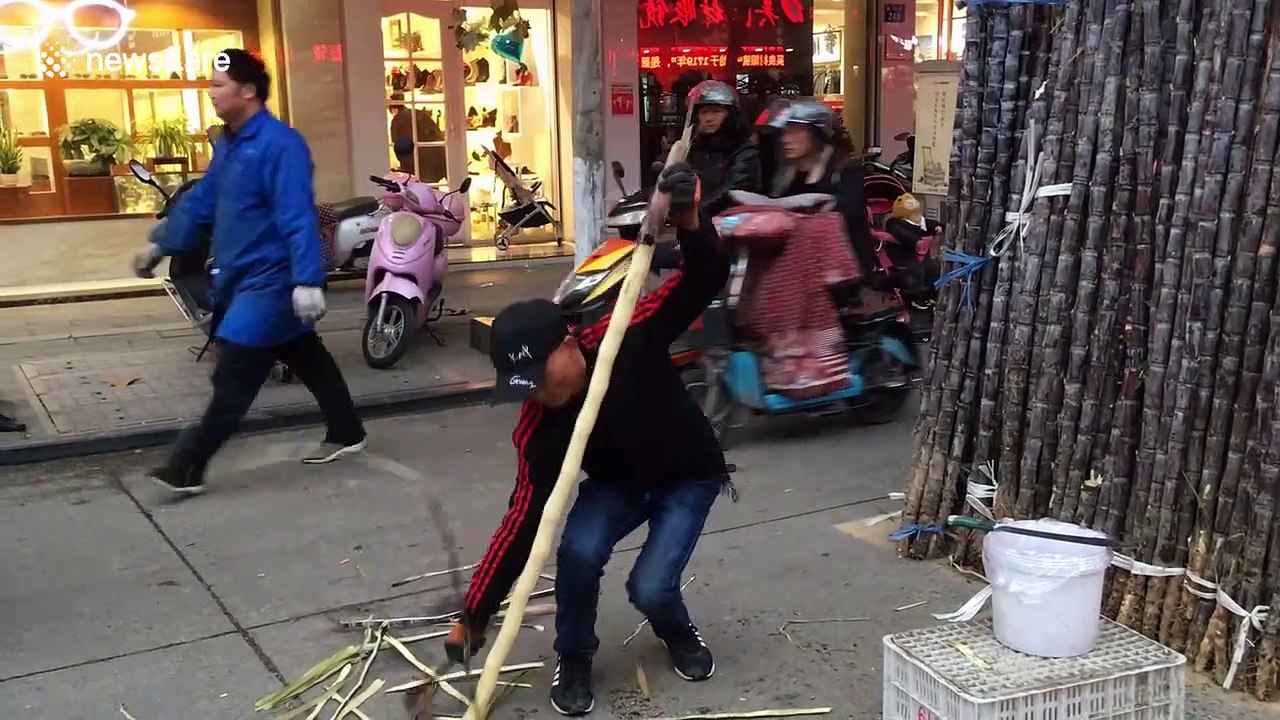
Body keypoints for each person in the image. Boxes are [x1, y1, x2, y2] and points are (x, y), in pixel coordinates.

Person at [444, 163, 732, 716]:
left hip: (686, 474)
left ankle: (677, 633)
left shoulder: (625, 330)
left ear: (570, 345)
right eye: (522, 386)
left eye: (540, 378)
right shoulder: (540, 422)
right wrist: (474, 615)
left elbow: (702, 280)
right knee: (576, 553)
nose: (536, 395)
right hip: (618, 483)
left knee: (649, 587)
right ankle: (573, 656)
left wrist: (692, 221)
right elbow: (521, 522)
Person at [132, 49, 366, 495]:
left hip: (273, 279)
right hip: (239, 276)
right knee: (305, 354)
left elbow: (297, 215)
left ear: (248, 91)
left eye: (219, 85)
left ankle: (188, 464)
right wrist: (161, 243)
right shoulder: (229, 143)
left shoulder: (282, 144)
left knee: (235, 373)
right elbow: (203, 200)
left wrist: (307, 280)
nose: (211, 92)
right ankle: (348, 431)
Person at [768, 99, 884, 287]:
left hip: (840, 272)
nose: (786, 138)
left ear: (816, 134)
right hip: (796, 270)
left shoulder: (844, 169)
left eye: (796, 131)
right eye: (785, 131)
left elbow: (846, 212)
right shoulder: (785, 173)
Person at [684, 80, 760, 216]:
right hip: (694, 223)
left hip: (728, 224)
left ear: (730, 115)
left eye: (716, 112)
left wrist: (696, 212)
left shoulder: (744, 151)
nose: (708, 118)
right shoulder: (695, 147)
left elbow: (732, 193)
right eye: (704, 112)